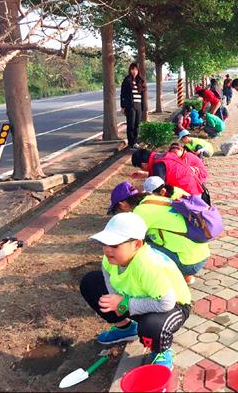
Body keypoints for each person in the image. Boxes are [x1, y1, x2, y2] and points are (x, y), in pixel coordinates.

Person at [79, 212, 191, 370]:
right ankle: (125, 328)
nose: (107, 250)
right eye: (104, 243)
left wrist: (124, 303)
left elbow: (166, 303)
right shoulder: (109, 259)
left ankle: (161, 351)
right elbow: (108, 279)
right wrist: (118, 304)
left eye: (115, 245)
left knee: (150, 327)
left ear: (137, 245)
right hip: (135, 298)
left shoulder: (148, 265)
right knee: (90, 282)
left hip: (173, 305)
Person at [107, 183, 210, 284]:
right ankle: (185, 276)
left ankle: (158, 282)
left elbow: (126, 241)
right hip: (201, 254)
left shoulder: (140, 212)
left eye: (117, 211)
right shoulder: (153, 199)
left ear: (123, 205)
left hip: (189, 263)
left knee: (135, 248)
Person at [131, 149, 205, 195]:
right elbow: (167, 172)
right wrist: (145, 174)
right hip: (196, 187)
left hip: (190, 195)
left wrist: (138, 191)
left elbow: (157, 190)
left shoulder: (158, 166)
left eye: (140, 167)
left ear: (143, 165)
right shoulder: (163, 156)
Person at [121, 62, 147, 149]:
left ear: (138, 70)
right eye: (132, 69)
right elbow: (123, 94)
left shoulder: (140, 80)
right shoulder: (127, 80)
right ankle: (131, 143)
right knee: (131, 124)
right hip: (130, 106)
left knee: (137, 124)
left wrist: (143, 107)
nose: (134, 71)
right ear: (130, 70)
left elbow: (142, 96)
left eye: (135, 69)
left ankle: (135, 142)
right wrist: (123, 107)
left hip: (138, 105)